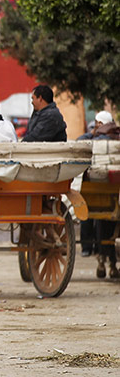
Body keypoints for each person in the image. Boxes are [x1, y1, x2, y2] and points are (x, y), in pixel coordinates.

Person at [78, 111, 119, 265]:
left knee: (94, 220)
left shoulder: (93, 141)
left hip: (96, 188)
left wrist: (93, 133)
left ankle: (91, 250)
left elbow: (78, 142)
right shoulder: (116, 139)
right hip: (115, 189)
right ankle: (109, 260)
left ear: (99, 124)